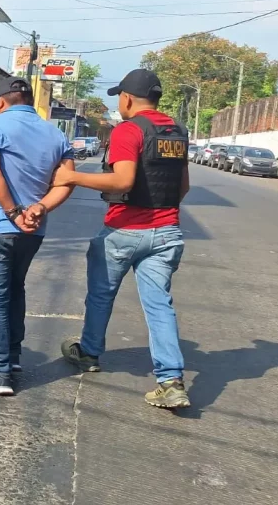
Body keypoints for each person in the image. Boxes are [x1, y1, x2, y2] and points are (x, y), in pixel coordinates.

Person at [54, 68, 192, 409]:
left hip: (124, 231)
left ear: (128, 98)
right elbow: (182, 187)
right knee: (159, 306)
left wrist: (72, 177)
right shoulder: (177, 131)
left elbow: (122, 181)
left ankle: (89, 353)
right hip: (167, 232)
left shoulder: (128, 130)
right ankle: (171, 380)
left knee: (101, 295)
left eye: (119, 97)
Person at [0, 77, 76, 396]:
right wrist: (39, 209)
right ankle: (13, 357)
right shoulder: (57, 134)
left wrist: (12, 211)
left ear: (1, 101)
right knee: (15, 289)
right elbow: (67, 181)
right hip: (34, 230)